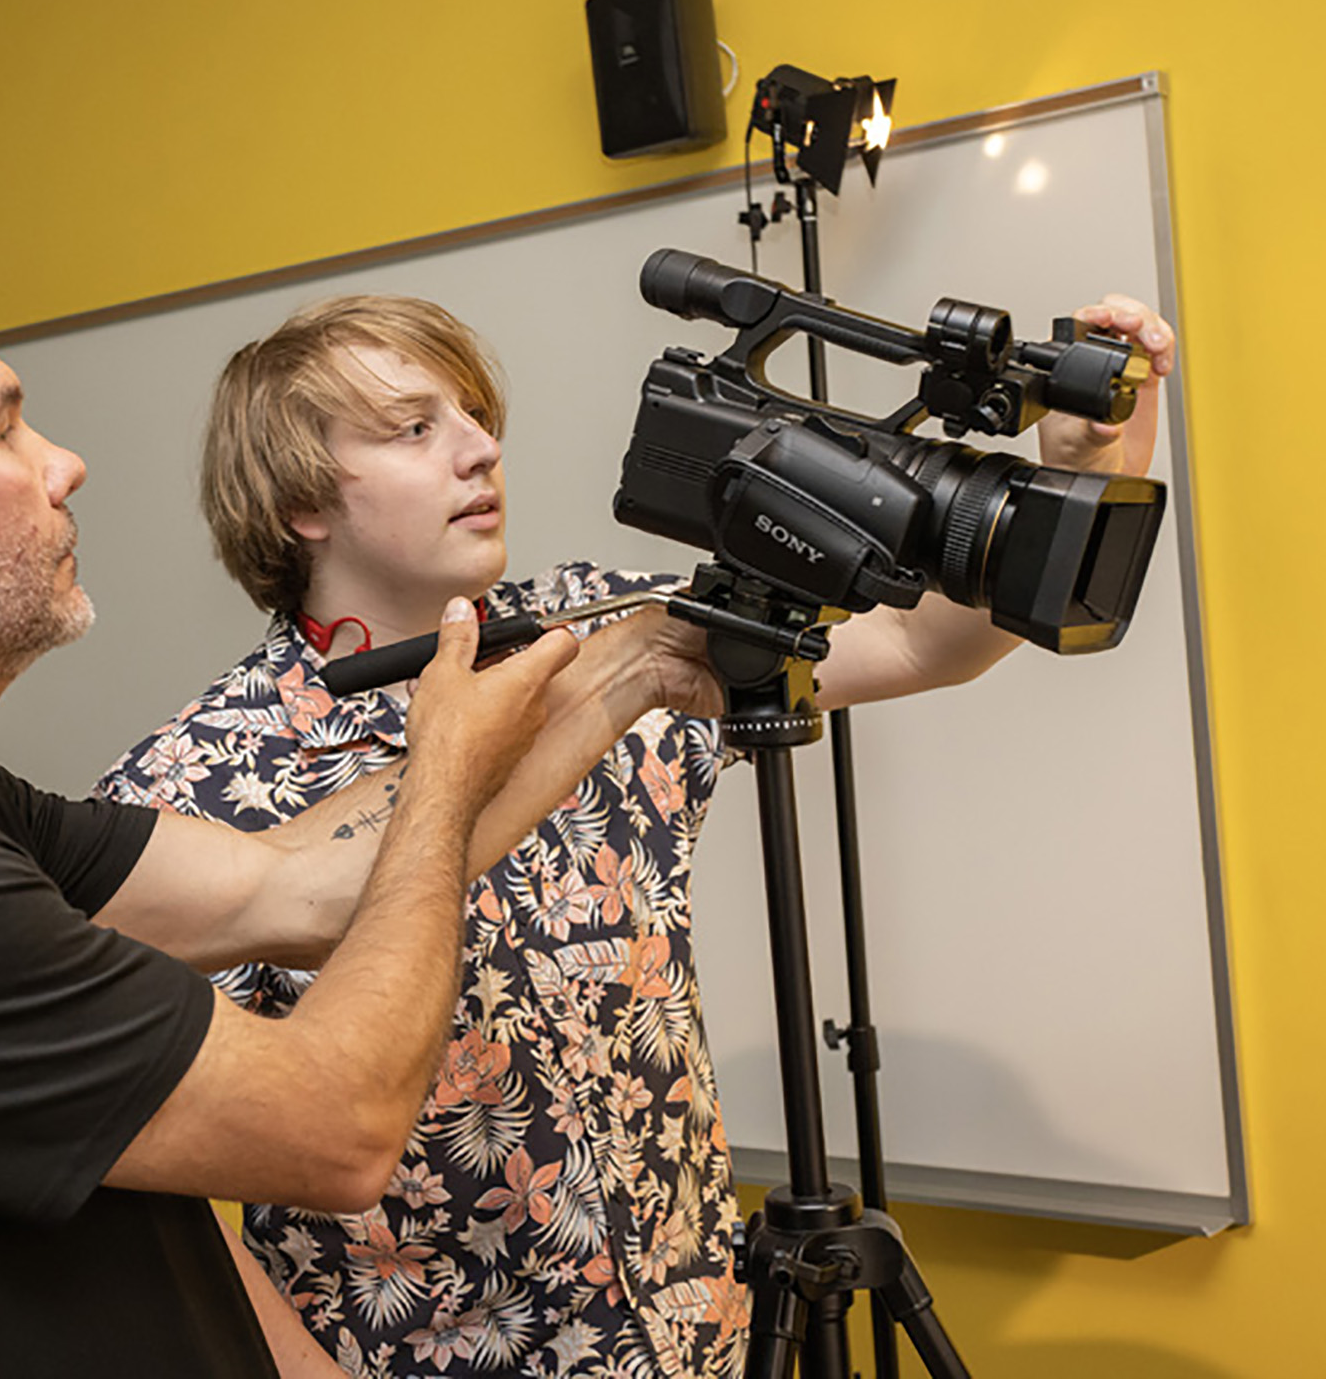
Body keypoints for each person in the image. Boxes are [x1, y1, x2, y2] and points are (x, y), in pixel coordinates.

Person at [0, 225, 737, 1379]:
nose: (62, 463)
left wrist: (617, 683)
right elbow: (338, 1127)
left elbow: (299, 886)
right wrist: (439, 765)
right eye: (3, 427)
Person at [96, 293, 1175, 1377]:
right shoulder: (196, 785)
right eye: (415, 429)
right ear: (299, 504)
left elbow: (919, 642)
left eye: (474, 415)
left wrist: (1075, 460)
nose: (481, 448)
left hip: (700, 1338)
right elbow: (143, 1170)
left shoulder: (602, 634)